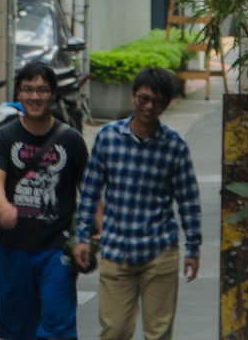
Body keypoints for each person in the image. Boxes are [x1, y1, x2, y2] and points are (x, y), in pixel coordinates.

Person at [73, 67, 200, 340]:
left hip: (160, 250)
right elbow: (90, 191)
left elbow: (188, 200)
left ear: (166, 104)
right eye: (144, 98)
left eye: (157, 101)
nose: (149, 106)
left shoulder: (175, 146)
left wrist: (193, 247)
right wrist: (81, 236)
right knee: (115, 330)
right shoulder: (108, 137)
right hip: (116, 249)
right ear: (133, 96)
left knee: (159, 333)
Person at [0, 61, 90, 340]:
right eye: (28, 89)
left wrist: (94, 234)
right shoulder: (5, 136)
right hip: (12, 248)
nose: (35, 97)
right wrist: (3, 204)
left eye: (43, 90)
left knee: (58, 325)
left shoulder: (71, 140)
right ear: (18, 94)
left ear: (53, 94)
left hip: (56, 249)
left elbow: (90, 193)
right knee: (17, 329)